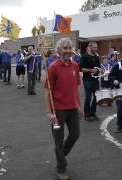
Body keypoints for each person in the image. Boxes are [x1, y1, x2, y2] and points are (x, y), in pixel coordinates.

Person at [44, 38, 83, 180]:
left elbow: (76, 89)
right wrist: (49, 112)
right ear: (59, 50)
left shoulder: (75, 66)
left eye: (69, 48)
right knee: (58, 140)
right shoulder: (53, 67)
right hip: (57, 111)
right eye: (64, 48)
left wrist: (79, 106)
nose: (67, 50)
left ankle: (60, 155)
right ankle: (61, 167)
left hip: (72, 108)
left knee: (75, 135)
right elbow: (48, 91)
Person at [80, 42, 101, 121]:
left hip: (96, 80)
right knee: (88, 98)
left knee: (96, 97)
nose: (96, 49)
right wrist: (91, 70)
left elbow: (98, 67)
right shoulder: (84, 57)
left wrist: (99, 71)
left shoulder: (96, 56)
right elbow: (81, 69)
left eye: (96, 47)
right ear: (90, 47)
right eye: (94, 47)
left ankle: (93, 113)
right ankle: (87, 115)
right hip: (87, 80)